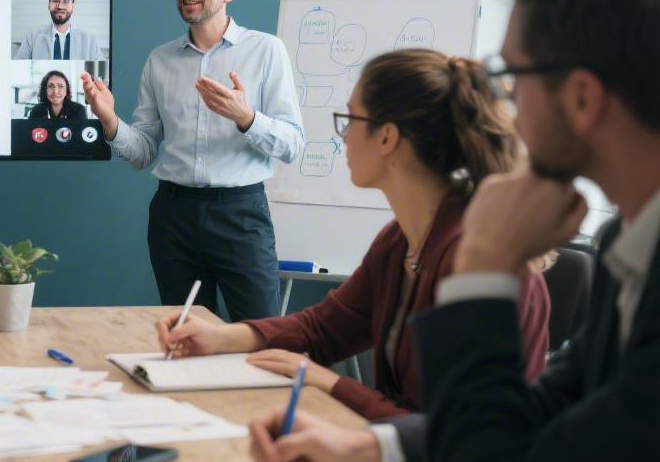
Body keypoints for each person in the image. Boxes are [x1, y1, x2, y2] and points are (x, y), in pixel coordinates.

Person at [249, 0, 660, 462]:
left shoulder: (542, 248)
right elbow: (554, 405)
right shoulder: (626, 244)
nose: (506, 103)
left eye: (513, 73)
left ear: (582, 97)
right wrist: (366, 450)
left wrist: (485, 272)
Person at [155, 49, 549, 420]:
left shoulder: (476, 264)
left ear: (387, 137)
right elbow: (323, 329)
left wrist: (329, 383)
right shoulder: (399, 242)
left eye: (351, 120)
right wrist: (219, 338)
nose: (342, 136)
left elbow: (457, 436)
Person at [83, 0, 304, 320]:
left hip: (239, 214)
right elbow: (142, 153)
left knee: (264, 337)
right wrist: (109, 120)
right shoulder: (160, 59)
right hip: (173, 217)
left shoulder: (266, 51)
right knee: (188, 339)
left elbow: (292, 144)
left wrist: (246, 116)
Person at [14, 0, 102, 60]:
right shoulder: (32, 38)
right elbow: (17, 69)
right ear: (48, 5)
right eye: (55, 1)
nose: (60, 6)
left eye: (66, 1)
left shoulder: (90, 40)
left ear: (73, 7)